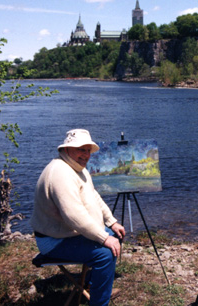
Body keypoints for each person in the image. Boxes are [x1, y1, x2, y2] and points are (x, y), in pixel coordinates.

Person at [30, 129, 125, 306]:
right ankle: (99, 302)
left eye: (88, 150)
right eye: (81, 149)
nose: (86, 155)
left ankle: (91, 285)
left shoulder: (78, 169)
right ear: (67, 149)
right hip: (53, 241)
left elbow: (94, 196)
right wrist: (104, 237)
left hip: (68, 233)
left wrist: (111, 222)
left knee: (116, 236)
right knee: (105, 253)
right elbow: (73, 215)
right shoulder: (60, 173)